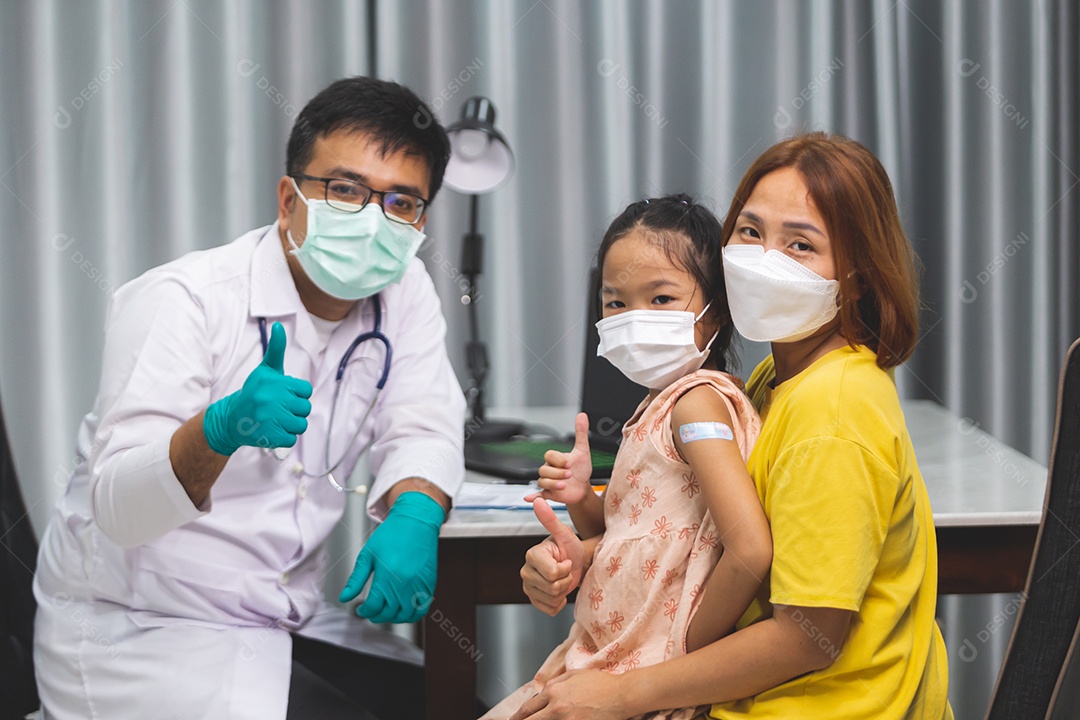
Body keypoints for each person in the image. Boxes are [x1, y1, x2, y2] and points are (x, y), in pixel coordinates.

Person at [33, 76, 466, 720]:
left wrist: (417, 512)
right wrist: (219, 430)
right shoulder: (184, 300)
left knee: (465, 704)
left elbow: (424, 421)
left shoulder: (405, 292)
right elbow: (119, 509)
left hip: (278, 616)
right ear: (289, 199)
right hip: (144, 627)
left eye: (400, 202)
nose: (373, 219)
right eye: (345, 190)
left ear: (420, 221)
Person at [512, 133, 953, 719]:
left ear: (857, 275)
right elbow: (689, 539)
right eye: (750, 231)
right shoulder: (775, 378)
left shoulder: (833, 410)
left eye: (800, 244)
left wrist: (626, 689)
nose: (764, 259)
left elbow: (807, 637)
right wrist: (586, 555)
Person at [486, 195, 770, 720]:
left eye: (661, 298)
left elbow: (750, 549)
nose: (636, 318)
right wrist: (581, 499)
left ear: (715, 312)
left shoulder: (695, 406)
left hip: (642, 679)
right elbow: (638, 534)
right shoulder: (661, 406)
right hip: (605, 661)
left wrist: (683, 651)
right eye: (615, 303)